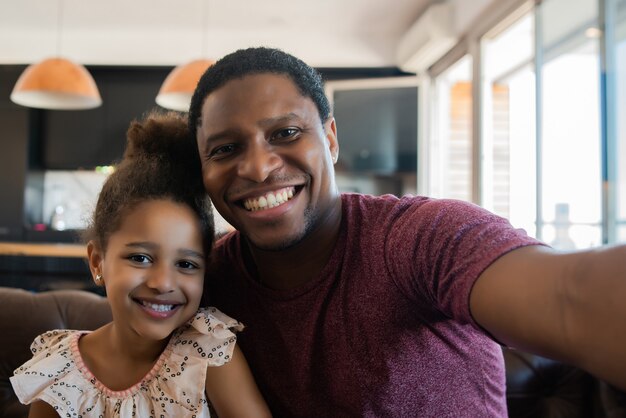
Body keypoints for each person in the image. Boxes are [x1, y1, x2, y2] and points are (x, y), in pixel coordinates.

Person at [187, 47, 626, 417]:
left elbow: (571, 296)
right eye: (225, 149)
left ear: (331, 138)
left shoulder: (422, 238)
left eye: (285, 132)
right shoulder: (207, 279)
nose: (259, 167)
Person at [10, 110, 271, 418]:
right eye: (140, 258)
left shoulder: (207, 352)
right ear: (97, 262)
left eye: (186, 264)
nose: (163, 282)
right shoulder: (58, 369)